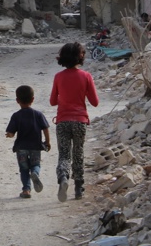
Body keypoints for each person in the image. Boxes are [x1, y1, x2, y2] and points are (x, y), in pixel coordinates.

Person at [50, 42, 99, 202]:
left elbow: (52, 101)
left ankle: (63, 176)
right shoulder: (86, 76)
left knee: (64, 154)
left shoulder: (58, 77)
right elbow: (95, 102)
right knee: (78, 153)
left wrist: (64, 96)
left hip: (62, 121)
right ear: (80, 57)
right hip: (80, 121)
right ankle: (78, 188)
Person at [6, 85, 51, 199]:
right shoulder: (38, 114)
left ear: (17, 100)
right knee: (35, 164)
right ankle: (35, 173)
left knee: (24, 169)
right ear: (33, 99)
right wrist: (47, 142)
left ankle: (26, 190)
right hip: (36, 146)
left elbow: (11, 133)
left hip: (21, 148)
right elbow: (45, 128)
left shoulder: (16, 116)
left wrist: (9, 135)